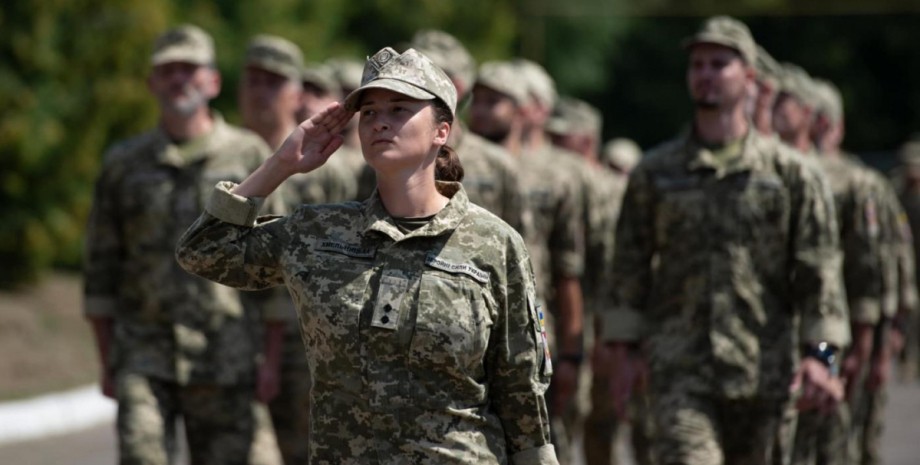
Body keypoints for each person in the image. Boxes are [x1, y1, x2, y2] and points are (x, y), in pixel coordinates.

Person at [175, 46, 559, 464]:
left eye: (399, 109)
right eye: (370, 112)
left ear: (442, 130)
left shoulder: (494, 244)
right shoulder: (318, 233)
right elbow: (202, 251)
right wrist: (280, 164)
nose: (381, 123)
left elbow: (521, 389)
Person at [600, 16, 850, 465]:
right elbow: (629, 266)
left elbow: (821, 270)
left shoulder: (791, 174)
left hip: (767, 372)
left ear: (749, 77)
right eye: (697, 64)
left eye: (720, 64)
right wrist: (623, 354)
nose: (706, 74)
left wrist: (822, 354)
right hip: (680, 370)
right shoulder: (656, 173)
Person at [83, 24, 283, 465]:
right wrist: (106, 359)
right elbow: (101, 263)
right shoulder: (123, 163)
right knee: (142, 456)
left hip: (226, 352)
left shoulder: (248, 155)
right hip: (143, 350)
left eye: (188, 69)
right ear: (152, 83)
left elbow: (276, 263)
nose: (178, 80)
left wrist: (270, 359)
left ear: (212, 81)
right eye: (167, 70)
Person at [237, 34, 357, 465]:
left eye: (274, 81)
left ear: (296, 91)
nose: (261, 92)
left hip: (304, 343)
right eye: (253, 79)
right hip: (226, 338)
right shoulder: (224, 161)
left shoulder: (331, 169)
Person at [409, 29, 527, 234]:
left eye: (426, 75)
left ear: (457, 87)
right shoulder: (387, 159)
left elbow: (518, 242)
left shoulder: (497, 164)